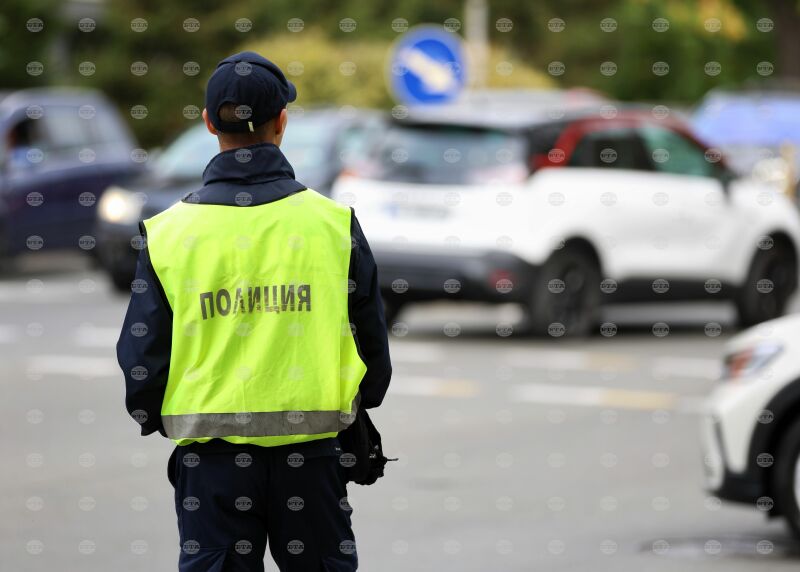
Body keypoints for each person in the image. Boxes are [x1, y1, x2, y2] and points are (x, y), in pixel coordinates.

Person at [116, 51, 392, 572]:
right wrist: (362, 402)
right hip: (312, 460)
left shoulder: (169, 232)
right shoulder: (332, 223)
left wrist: (154, 415)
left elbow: (142, 356)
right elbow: (370, 340)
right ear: (282, 122)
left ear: (207, 123)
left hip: (211, 466)